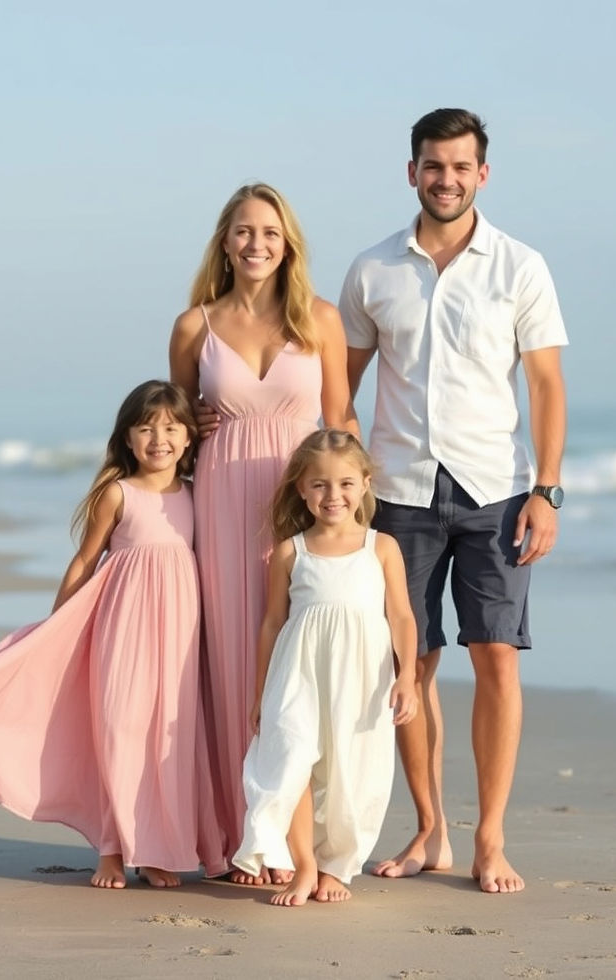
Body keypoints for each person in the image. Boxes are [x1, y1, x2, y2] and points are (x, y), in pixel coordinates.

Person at [339, 108, 568, 894]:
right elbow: (343, 384)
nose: (446, 179)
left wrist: (547, 491)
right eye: (433, 166)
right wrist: (343, 481)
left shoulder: (520, 266)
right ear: (413, 172)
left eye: (460, 166)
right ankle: (431, 829)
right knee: (413, 661)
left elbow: (545, 385)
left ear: (483, 174)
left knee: (496, 654)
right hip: (397, 493)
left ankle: (491, 838)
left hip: (495, 492)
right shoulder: (373, 270)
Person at [0, 381, 227, 888]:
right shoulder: (117, 492)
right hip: (124, 629)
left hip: (180, 635)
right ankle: (111, 848)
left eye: (172, 427)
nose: (159, 438)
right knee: (121, 732)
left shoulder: (196, 492)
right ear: (127, 438)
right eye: (146, 427)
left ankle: (156, 849)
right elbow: (86, 559)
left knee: (170, 738)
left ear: (190, 437)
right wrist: (56, 624)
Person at [169, 183, 359, 881]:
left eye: (270, 234)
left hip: (300, 506)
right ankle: (240, 837)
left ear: (288, 246)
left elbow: (340, 422)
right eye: (245, 232)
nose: (257, 244)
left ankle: (294, 840)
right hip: (222, 506)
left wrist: (357, 516)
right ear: (225, 240)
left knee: (294, 666)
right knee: (233, 664)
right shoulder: (196, 327)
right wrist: (193, 432)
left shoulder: (321, 320)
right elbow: (178, 429)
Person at [233, 429, 418, 906]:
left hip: (362, 678)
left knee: (349, 771)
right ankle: (303, 865)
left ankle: (337, 865)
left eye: (344, 484)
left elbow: (400, 615)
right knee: (292, 760)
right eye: (319, 484)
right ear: (301, 488)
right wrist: (260, 693)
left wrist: (409, 678)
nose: (332, 495)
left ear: (365, 483)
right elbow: (273, 623)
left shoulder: (381, 547)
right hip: (298, 674)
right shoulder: (291, 550)